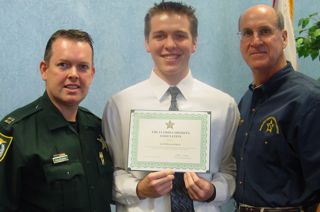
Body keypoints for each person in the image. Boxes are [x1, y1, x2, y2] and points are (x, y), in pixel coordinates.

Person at [102, 1, 240, 212]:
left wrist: (213, 191)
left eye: (180, 35)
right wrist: (138, 188)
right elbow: (111, 171)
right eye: (160, 36)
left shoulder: (223, 105)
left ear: (194, 42)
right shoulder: (120, 105)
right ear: (147, 42)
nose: (170, 44)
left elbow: (229, 169)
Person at [0, 29, 113, 211]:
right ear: (44, 70)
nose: (74, 74)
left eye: (82, 67)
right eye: (63, 65)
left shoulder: (98, 128)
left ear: (91, 74)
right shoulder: (16, 132)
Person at [234, 4, 320, 211]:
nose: (255, 41)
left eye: (264, 31)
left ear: (283, 38)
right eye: (247, 33)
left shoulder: (309, 99)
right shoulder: (247, 100)